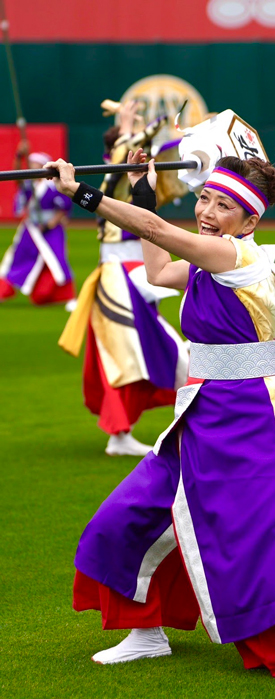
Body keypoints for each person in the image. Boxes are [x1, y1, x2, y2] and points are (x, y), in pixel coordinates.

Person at [48, 150, 275, 684]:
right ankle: (146, 634)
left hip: (249, 423)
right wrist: (143, 193)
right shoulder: (209, 258)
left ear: (251, 220)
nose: (208, 211)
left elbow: (154, 231)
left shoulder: (233, 257)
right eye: (204, 198)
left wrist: (82, 193)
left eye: (224, 205)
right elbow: (158, 268)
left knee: (258, 550)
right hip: (200, 412)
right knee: (129, 518)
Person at [59, 102, 189, 457]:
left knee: (144, 351)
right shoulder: (115, 169)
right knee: (128, 356)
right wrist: (129, 123)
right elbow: (124, 149)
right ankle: (119, 433)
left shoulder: (113, 178)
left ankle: (125, 430)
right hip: (122, 274)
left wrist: (132, 125)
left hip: (134, 272)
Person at [0, 141, 76, 307]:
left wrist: (50, 224)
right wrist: (19, 155)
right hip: (31, 228)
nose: (32, 167)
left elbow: (62, 208)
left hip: (51, 229)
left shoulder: (53, 186)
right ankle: (4, 291)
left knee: (57, 260)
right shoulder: (29, 185)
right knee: (17, 258)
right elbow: (16, 177)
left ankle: (69, 298)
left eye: (36, 165)